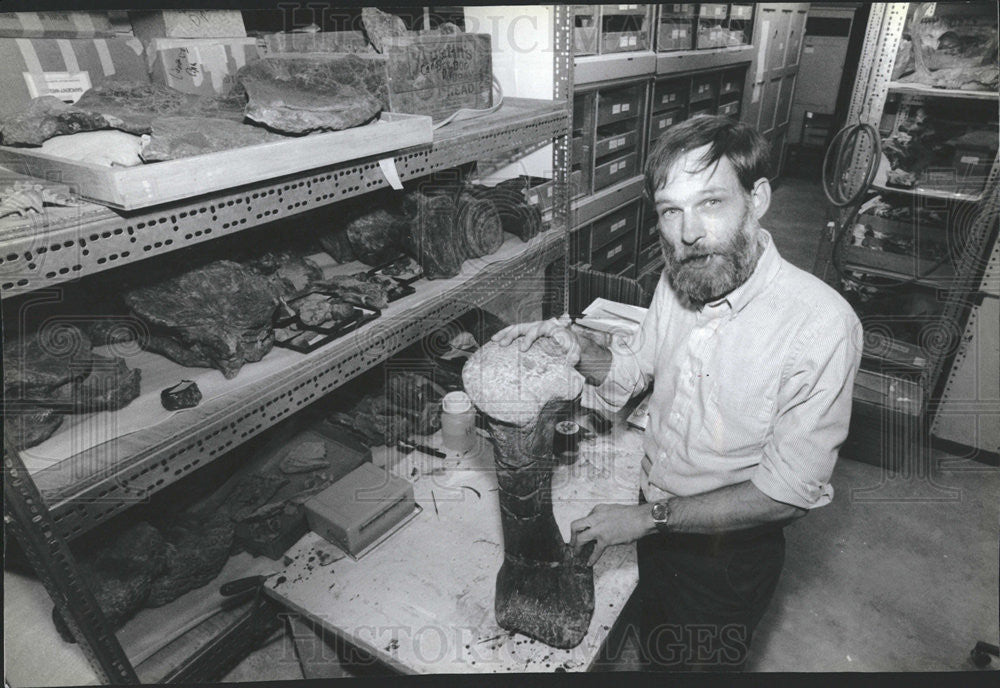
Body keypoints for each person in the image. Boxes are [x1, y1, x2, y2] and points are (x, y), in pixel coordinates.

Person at [491, 115, 863, 671]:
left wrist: (645, 520)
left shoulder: (821, 327)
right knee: (653, 646)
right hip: (654, 520)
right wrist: (577, 349)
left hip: (726, 557)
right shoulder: (679, 279)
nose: (687, 234)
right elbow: (630, 375)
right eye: (671, 210)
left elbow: (783, 495)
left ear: (757, 198)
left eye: (710, 202)